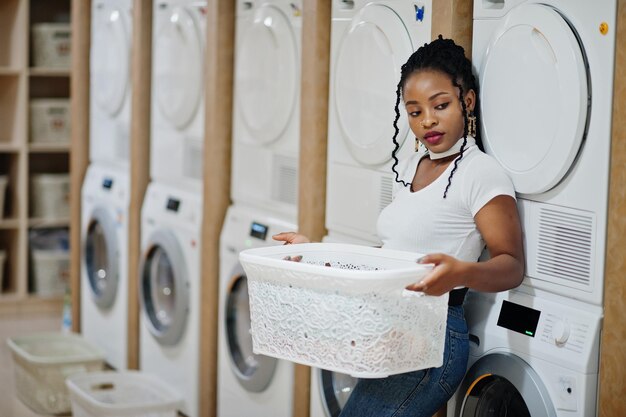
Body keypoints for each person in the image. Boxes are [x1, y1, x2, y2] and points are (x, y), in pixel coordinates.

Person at [273, 36, 524, 417]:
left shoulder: (481, 174)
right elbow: (389, 257)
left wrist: (461, 273)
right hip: (392, 328)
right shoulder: (410, 168)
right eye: (414, 111)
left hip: (434, 338)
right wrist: (315, 255)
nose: (428, 121)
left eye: (440, 106)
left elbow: (511, 264)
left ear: (467, 102)